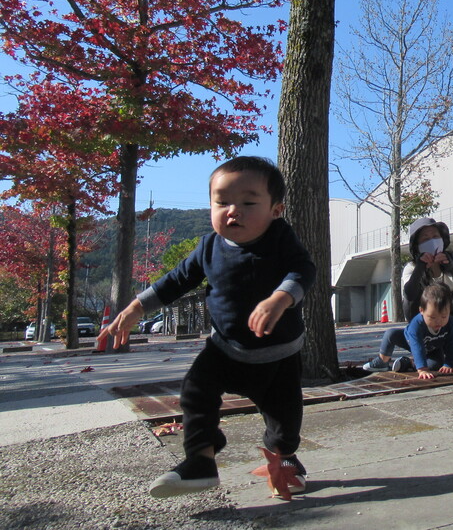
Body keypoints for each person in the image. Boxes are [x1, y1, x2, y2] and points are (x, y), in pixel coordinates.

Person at [98, 156, 316, 500]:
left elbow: (303, 270)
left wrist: (280, 298)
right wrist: (137, 307)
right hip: (225, 348)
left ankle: (286, 460)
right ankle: (200, 461)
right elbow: (175, 281)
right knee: (196, 390)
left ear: (276, 209)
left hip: (278, 356)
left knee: (284, 420)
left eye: (248, 202)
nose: (233, 211)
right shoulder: (208, 247)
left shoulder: (281, 239)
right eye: (222, 202)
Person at [402, 217, 453, 359]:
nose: (432, 241)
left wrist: (452, 268)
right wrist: (420, 269)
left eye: (435, 236)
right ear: (416, 245)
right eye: (425, 239)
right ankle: (422, 343)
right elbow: (409, 296)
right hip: (428, 323)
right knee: (409, 298)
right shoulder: (411, 268)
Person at [363, 284, 453, 378]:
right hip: (410, 341)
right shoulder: (417, 324)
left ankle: (409, 363)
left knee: (435, 365)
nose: (438, 321)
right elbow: (417, 346)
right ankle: (382, 361)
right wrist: (422, 369)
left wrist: (449, 364)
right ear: (421, 311)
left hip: (433, 348)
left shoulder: (450, 322)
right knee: (390, 334)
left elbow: (452, 343)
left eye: (444, 316)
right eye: (432, 317)